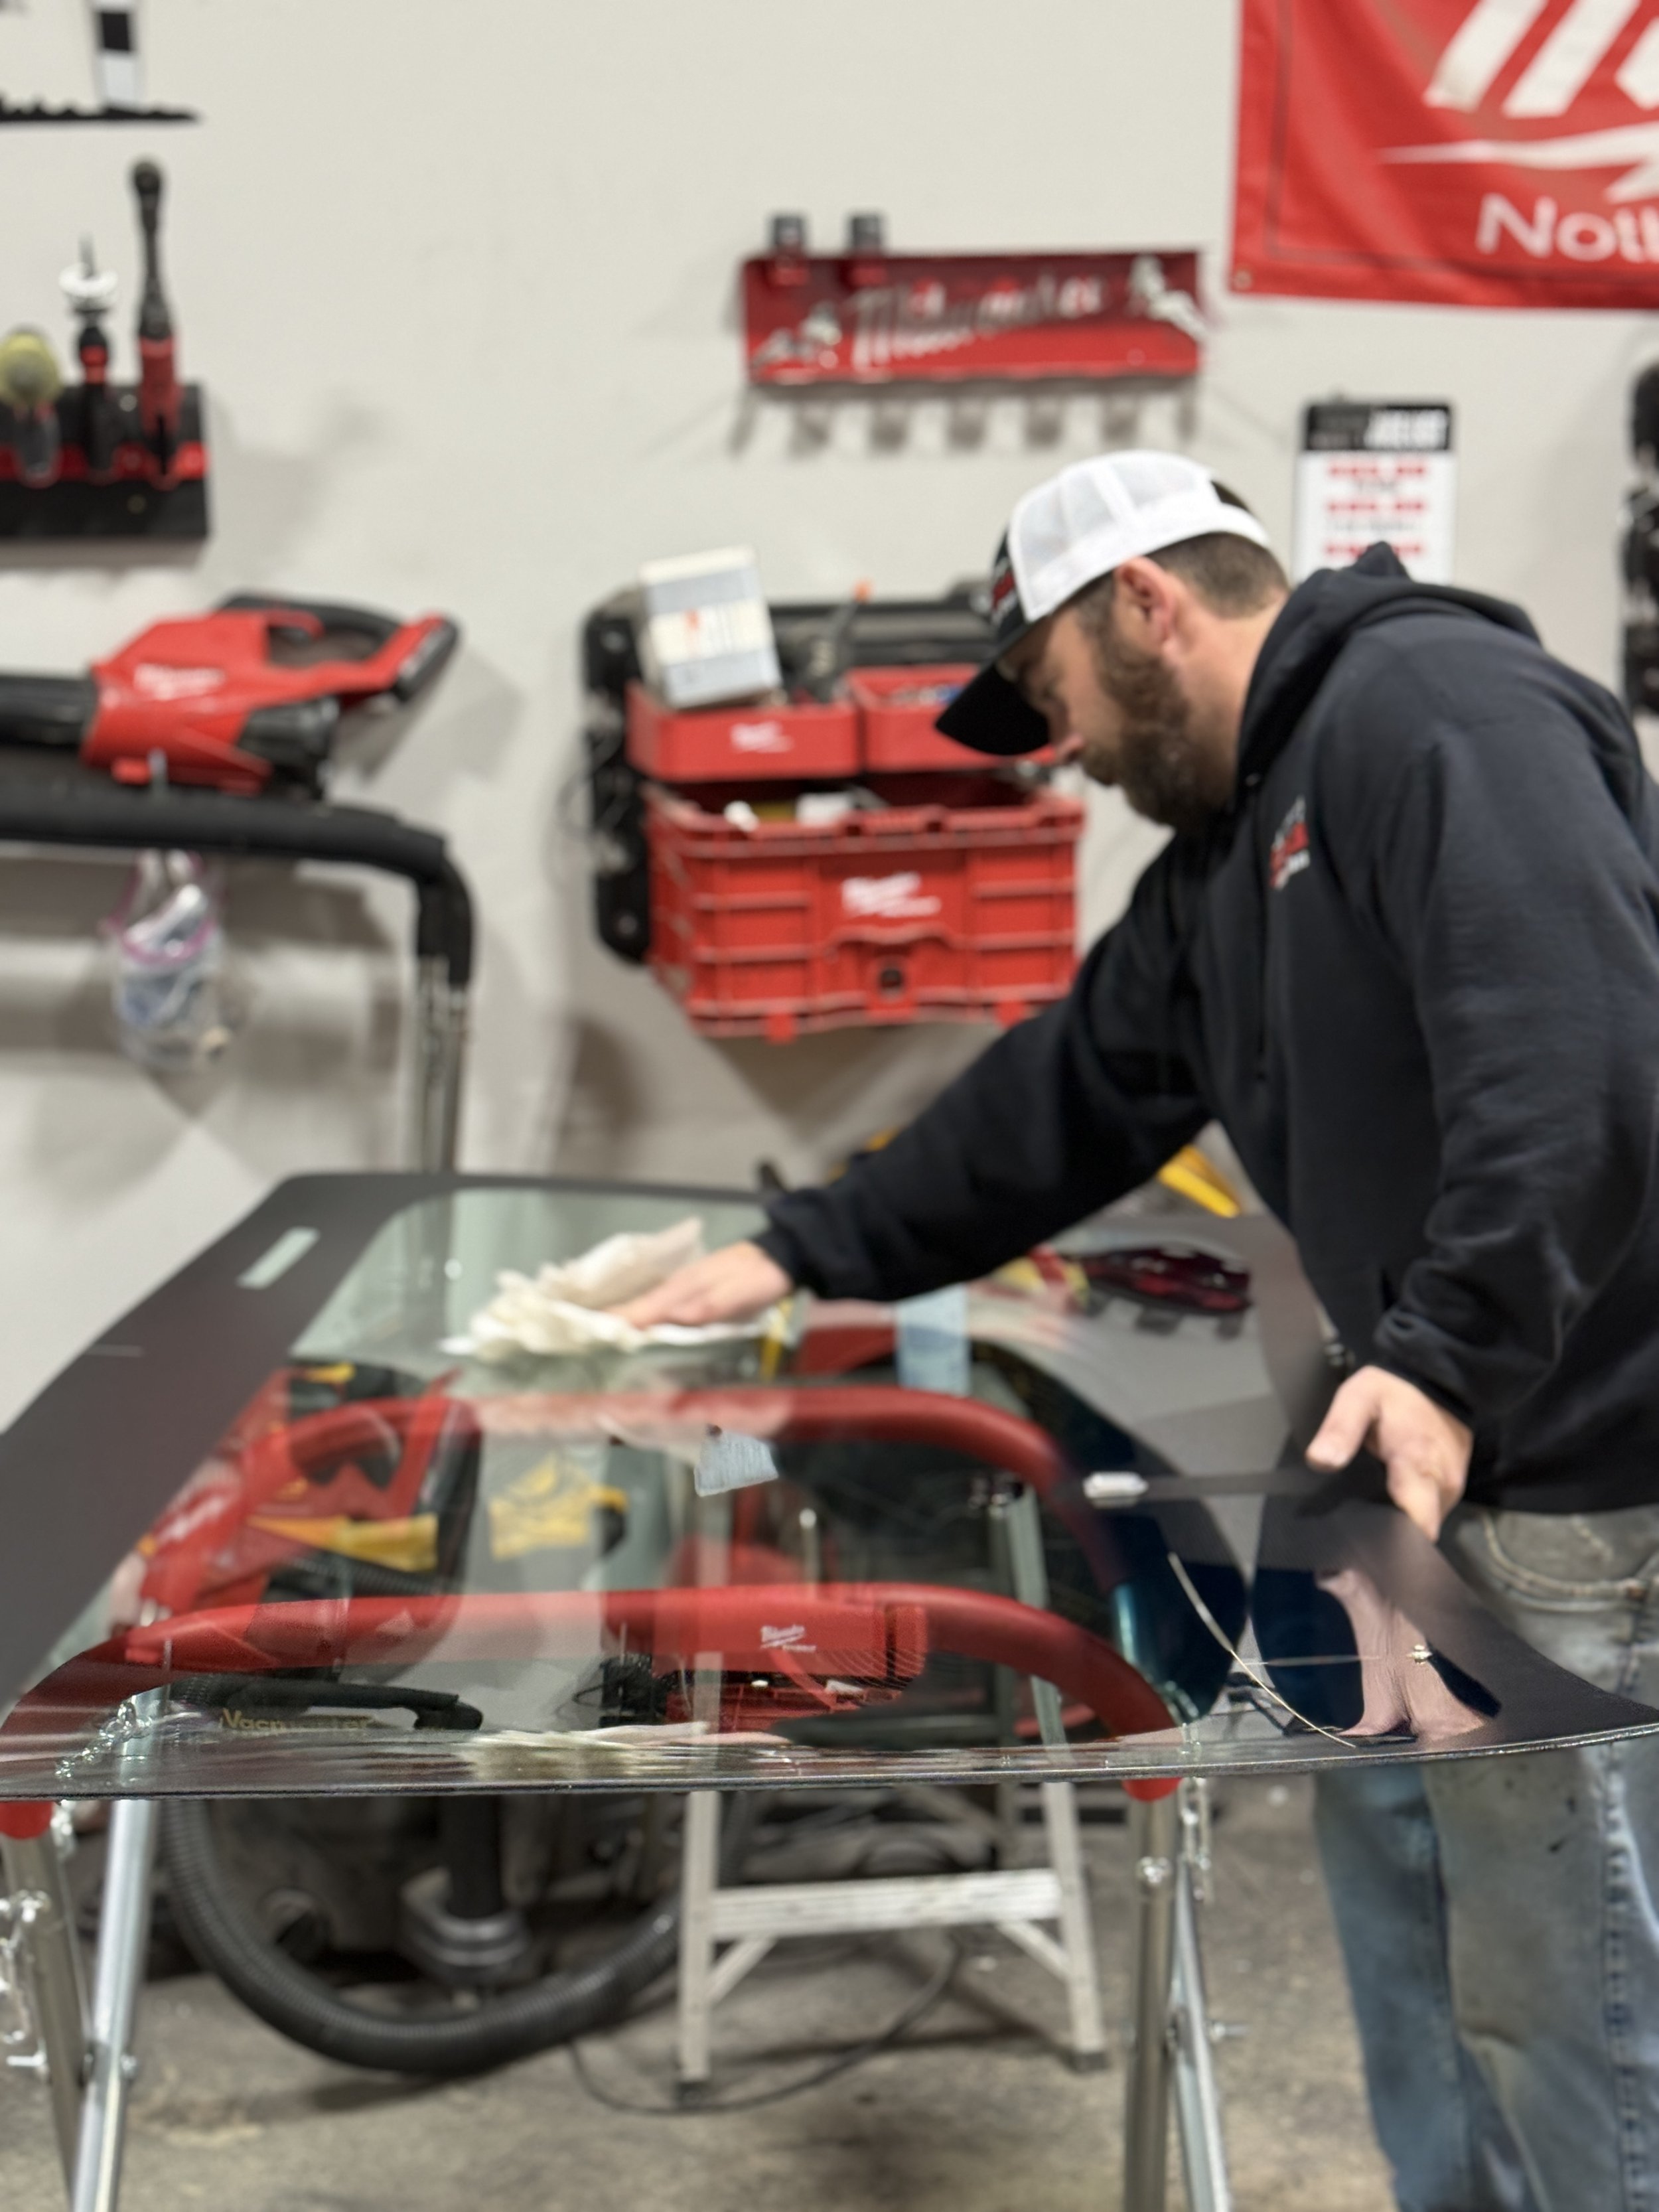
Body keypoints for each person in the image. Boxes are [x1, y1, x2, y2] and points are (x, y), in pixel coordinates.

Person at [620, 450, 1659, 2212]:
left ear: (1144, 606)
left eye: (1051, 691)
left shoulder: (1437, 715)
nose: (1063, 749)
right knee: (1408, 1916)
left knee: (1565, 1983)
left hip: (1552, 1451)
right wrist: (802, 1248)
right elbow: (1068, 1094)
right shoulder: (1225, 855)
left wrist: (1449, 1352)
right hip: (1395, 1456)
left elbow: (1579, 1052)